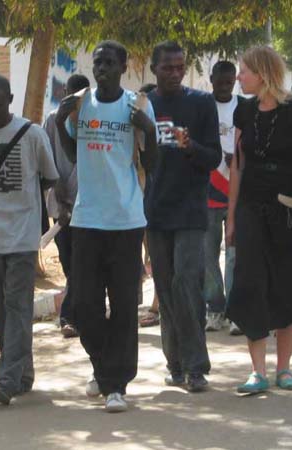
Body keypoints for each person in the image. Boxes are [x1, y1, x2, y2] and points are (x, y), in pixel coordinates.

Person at [55, 40, 158, 412]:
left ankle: (116, 385)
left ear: (123, 67)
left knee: (125, 304)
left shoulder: (138, 105)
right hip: (87, 219)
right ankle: (102, 367)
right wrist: (60, 124)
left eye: (109, 63)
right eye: (97, 62)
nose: (101, 68)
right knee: (83, 305)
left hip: (126, 220)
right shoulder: (80, 104)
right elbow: (73, 156)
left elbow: (153, 161)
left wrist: (147, 128)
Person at [225, 46, 292, 394]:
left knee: (287, 283)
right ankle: (258, 371)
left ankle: (284, 369)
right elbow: (237, 165)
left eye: (244, 71)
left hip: (289, 209)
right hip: (251, 207)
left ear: (262, 73)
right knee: (250, 283)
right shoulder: (244, 110)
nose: (239, 77)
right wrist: (231, 218)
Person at [0, 74, 59, 406]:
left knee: (17, 304)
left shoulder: (33, 134)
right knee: (2, 310)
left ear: (11, 98)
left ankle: (7, 378)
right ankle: (23, 373)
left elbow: (49, 176)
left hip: (22, 234)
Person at [145, 41, 221, 392]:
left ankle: (195, 366)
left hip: (191, 210)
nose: (175, 73)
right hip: (155, 212)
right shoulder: (143, 105)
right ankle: (173, 363)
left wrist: (190, 147)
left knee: (186, 284)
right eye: (168, 68)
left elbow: (214, 157)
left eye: (180, 67)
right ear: (154, 69)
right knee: (165, 286)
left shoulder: (201, 103)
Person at [43, 73, 91, 338]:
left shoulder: (92, 121)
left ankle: (68, 316)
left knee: (80, 263)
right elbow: (46, 157)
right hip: (61, 203)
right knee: (68, 261)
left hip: (87, 204)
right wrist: (57, 192)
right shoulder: (53, 120)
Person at [205, 60, 244, 335]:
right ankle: (215, 307)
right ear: (211, 79)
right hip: (206, 192)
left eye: (229, 82)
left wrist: (238, 157)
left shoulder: (244, 107)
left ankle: (234, 310)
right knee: (207, 256)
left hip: (236, 193)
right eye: (220, 82)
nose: (224, 86)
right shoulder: (202, 106)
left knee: (234, 256)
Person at [137, 82, 161, 329]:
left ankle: (157, 305)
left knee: (154, 253)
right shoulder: (136, 128)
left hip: (154, 200)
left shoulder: (157, 130)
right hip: (137, 200)